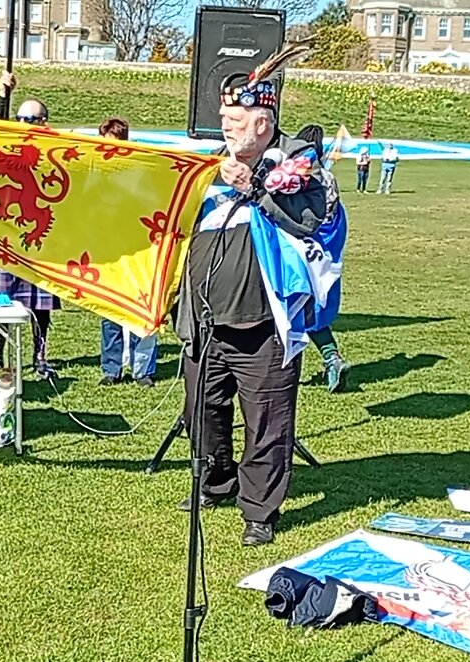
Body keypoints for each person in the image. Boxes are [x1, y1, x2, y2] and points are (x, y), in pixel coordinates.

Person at [174, 74, 326, 547]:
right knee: (202, 410)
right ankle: (215, 482)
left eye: (234, 121)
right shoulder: (209, 169)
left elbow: (309, 225)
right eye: (223, 118)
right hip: (204, 319)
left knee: (267, 420)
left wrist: (256, 187)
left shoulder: (300, 168)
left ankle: (259, 509)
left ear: (262, 124)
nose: (225, 127)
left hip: (263, 323)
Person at [0, 70, 59, 380]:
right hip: (7, 235)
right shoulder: (9, 144)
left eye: (29, 120)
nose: (22, 125)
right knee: (1, 302)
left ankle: (40, 356)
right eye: (19, 118)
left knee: (40, 306)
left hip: (39, 239)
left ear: (43, 122)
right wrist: (3, 95)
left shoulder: (54, 147)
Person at [96, 117, 158, 388]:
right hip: (108, 251)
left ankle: (142, 369)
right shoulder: (97, 175)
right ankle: (112, 368)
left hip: (139, 251)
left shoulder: (139, 173)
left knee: (140, 312)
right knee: (110, 310)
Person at [297, 123, 350, 392]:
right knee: (313, 310)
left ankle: (283, 368)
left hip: (303, 249)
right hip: (324, 254)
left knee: (292, 306)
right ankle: (332, 357)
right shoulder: (328, 177)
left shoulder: (298, 175)